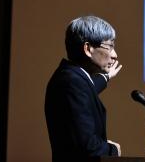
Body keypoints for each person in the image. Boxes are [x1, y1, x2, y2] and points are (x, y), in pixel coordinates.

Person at [45, 16, 123, 161]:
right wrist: (113, 150)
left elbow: (87, 91)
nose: (115, 55)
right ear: (88, 49)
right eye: (110, 46)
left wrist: (106, 77)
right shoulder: (72, 82)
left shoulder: (72, 77)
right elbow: (87, 146)